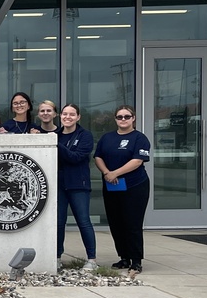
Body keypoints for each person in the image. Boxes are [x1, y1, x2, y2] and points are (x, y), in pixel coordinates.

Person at [94, 105, 150, 273]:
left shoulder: (139, 138)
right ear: (115, 119)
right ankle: (124, 257)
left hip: (135, 186)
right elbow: (98, 157)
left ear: (133, 118)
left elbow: (137, 161)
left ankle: (136, 261)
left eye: (127, 116)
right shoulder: (107, 138)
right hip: (112, 186)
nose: (123, 119)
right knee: (116, 223)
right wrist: (106, 173)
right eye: (120, 117)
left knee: (132, 223)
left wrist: (115, 173)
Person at [57, 104, 97, 270]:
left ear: (78, 117)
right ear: (60, 116)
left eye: (72, 114)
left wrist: (56, 144)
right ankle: (57, 257)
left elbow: (76, 157)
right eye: (65, 114)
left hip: (78, 185)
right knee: (59, 223)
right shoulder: (56, 134)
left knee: (83, 221)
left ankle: (92, 259)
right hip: (59, 186)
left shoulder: (85, 135)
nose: (68, 117)